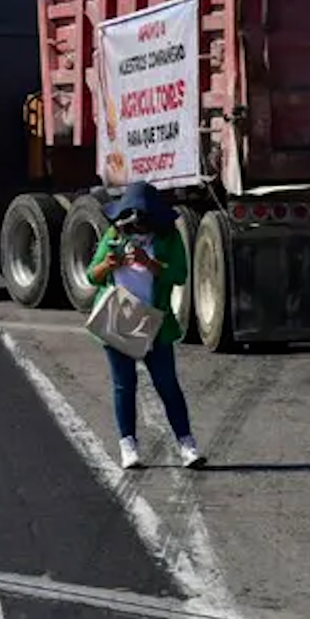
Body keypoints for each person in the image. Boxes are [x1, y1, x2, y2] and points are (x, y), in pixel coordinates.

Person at [87, 181, 205, 470]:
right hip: (119, 319)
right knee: (124, 386)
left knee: (167, 385)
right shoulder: (114, 233)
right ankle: (128, 446)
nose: (137, 227)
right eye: (131, 219)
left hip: (155, 322)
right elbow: (93, 274)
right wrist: (110, 264)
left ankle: (187, 445)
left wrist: (149, 263)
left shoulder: (168, 238)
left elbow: (178, 275)